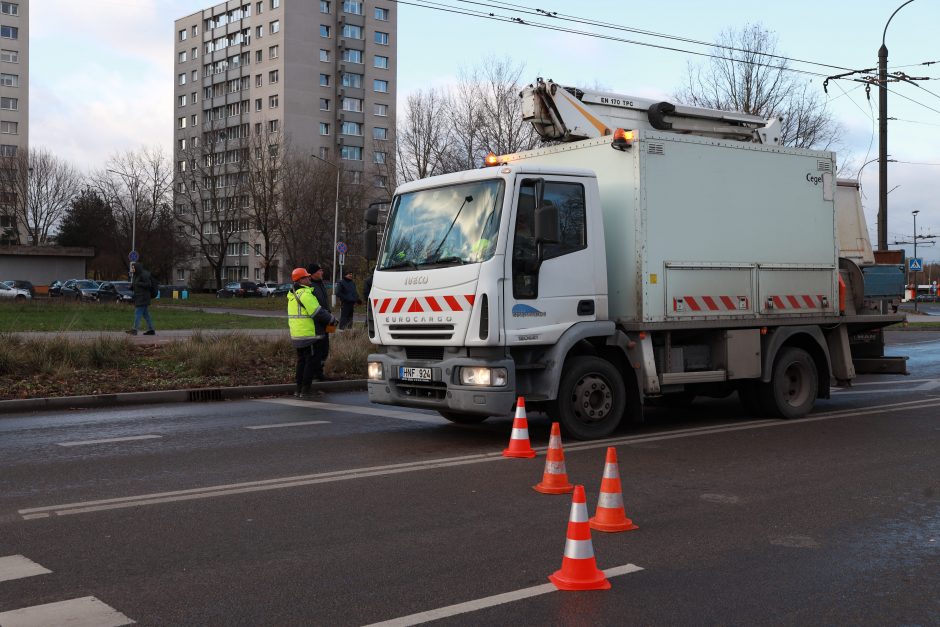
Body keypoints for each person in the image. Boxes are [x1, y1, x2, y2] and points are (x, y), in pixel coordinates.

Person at [287, 267, 338, 398]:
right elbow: (318, 312)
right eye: (306, 277)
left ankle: (298, 389)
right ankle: (305, 389)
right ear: (300, 280)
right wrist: (332, 319)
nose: (309, 278)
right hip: (310, 335)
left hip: (298, 335)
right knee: (311, 362)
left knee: (302, 362)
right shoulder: (305, 294)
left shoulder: (293, 295)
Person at [306, 263, 333, 381]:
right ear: (312, 274)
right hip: (316, 324)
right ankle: (316, 374)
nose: (322, 272)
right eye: (320, 271)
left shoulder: (320, 284)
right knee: (318, 349)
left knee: (325, 348)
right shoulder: (310, 287)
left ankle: (320, 372)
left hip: (326, 321)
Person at [127, 261, 156, 336]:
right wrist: (131, 287)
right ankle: (151, 330)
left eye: (133, 267)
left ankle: (134, 330)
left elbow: (148, 284)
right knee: (146, 315)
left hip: (143, 298)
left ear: (137, 268)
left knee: (138, 313)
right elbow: (135, 284)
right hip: (139, 297)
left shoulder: (144, 274)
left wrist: (138, 284)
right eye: (132, 268)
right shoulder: (135, 275)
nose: (132, 269)